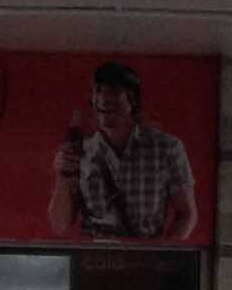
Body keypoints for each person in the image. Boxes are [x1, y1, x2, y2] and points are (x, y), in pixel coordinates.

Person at [46, 61, 197, 240]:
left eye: (114, 92)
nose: (103, 99)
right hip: (92, 263)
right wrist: (61, 178)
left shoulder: (167, 148)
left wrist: (163, 258)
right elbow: (60, 225)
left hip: (144, 262)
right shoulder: (80, 152)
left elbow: (187, 213)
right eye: (98, 90)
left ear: (132, 99)